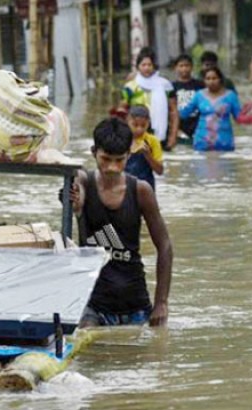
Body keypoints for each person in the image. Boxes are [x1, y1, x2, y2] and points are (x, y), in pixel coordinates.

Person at [69, 118, 173, 327]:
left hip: (135, 303)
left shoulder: (141, 191)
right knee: (87, 339)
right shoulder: (84, 182)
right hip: (93, 304)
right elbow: (75, 183)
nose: (112, 167)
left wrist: (161, 302)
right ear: (94, 152)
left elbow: (165, 246)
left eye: (119, 160)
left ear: (129, 155)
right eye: (105, 159)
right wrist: (76, 201)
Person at [119, 47, 178, 150]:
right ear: (138, 66)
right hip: (135, 131)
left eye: (149, 65)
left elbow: (173, 111)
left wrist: (173, 137)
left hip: (160, 133)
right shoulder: (131, 85)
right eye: (143, 65)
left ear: (154, 66)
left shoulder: (165, 85)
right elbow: (122, 109)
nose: (146, 68)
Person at [179, 67, 243, 152]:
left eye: (214, 78)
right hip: (202, 142)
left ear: (220, 79)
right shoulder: (199, 95)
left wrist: (246, 117)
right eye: (208, 79)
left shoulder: (231, 96)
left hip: (224, 142)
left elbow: (239, 118)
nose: (211, 81)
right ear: (204, 81)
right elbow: (184, 113)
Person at [125, 105, 164, 191]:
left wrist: (148, 155)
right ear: (128, 121)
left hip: (147, 188)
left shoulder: (153, 141)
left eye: (143, 126)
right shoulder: (122, 139)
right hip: (125, 187)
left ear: (148, 123)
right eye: (135, 125)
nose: (139, 129)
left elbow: (160, 171)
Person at [172, 54, 205, 143]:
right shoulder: (171, 87)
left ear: (192, 67)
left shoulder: (200, 85)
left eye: (187, 65)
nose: (184, 69)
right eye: (181, 66)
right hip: (179, 127)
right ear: (175, 68)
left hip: (198, 126)